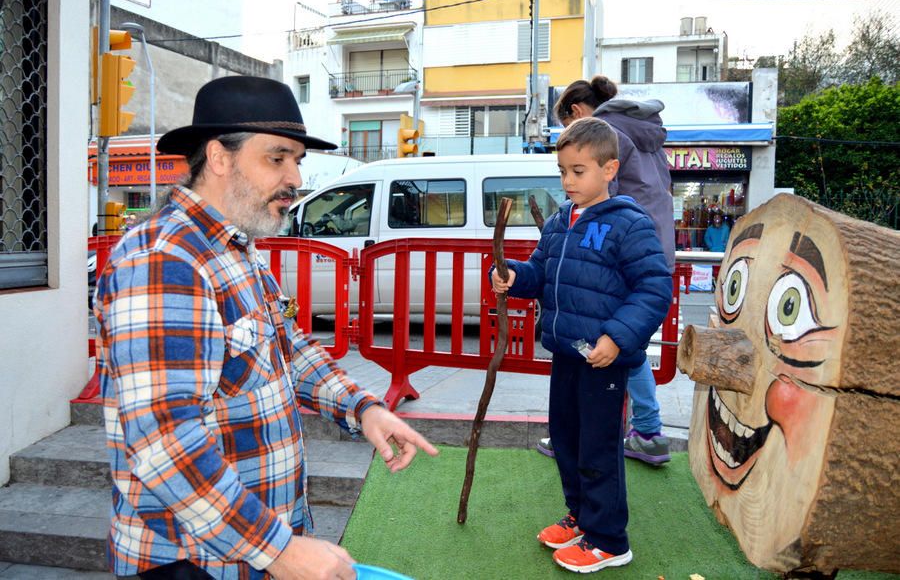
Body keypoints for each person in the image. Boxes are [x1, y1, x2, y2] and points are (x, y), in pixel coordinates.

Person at [94, 76, 438, 580]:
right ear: (218, 157)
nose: (295, 177)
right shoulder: (164, 261)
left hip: (249, 546)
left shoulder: (235, 247)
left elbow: (285, 347)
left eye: (297, 160)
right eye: (277, 158)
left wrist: (362, 408)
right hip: (190, 561)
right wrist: (278, 549)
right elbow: (167, 442)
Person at [492, 117, 671, 573]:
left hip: (603, 360)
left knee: (597, 447)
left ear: (610, 169)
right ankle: (581, 517)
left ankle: (609, 540)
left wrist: (617, 337)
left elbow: (653, 288)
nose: (568, 180)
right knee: (567, 440)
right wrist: (513, 275)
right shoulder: (558, 222)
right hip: (567, 354)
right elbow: (540, 274)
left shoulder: (629, 223)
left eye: (578, 171)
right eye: (563, 171)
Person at [536, 75, 676, 466]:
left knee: (615, 343)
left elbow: (604, 206)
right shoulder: (645, 133)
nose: (569, 179)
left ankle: (629, 430)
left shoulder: (609, 138)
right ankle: (645, 430)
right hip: (655, 240)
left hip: (620, 248)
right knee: (624, 341)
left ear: (577, 115)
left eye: (576, 169)